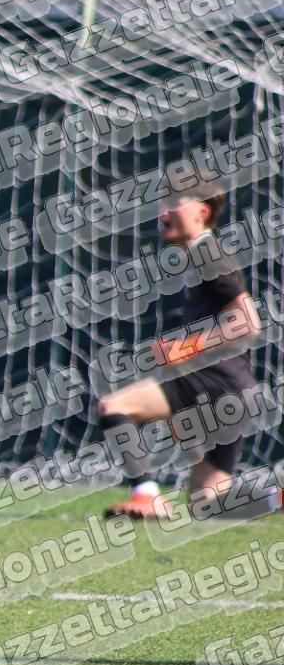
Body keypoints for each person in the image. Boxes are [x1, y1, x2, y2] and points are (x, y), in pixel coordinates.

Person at [99, 177, 268, 519]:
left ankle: (147, 496)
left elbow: (247, 323)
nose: (163, 213)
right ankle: (276, 499)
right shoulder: (202, 254)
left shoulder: (208, 253)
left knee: (114, 406)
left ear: (201, 213)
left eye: (175, 204)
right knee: (206, 505)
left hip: (216, 383)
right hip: (235, 391)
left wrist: (186, 348)